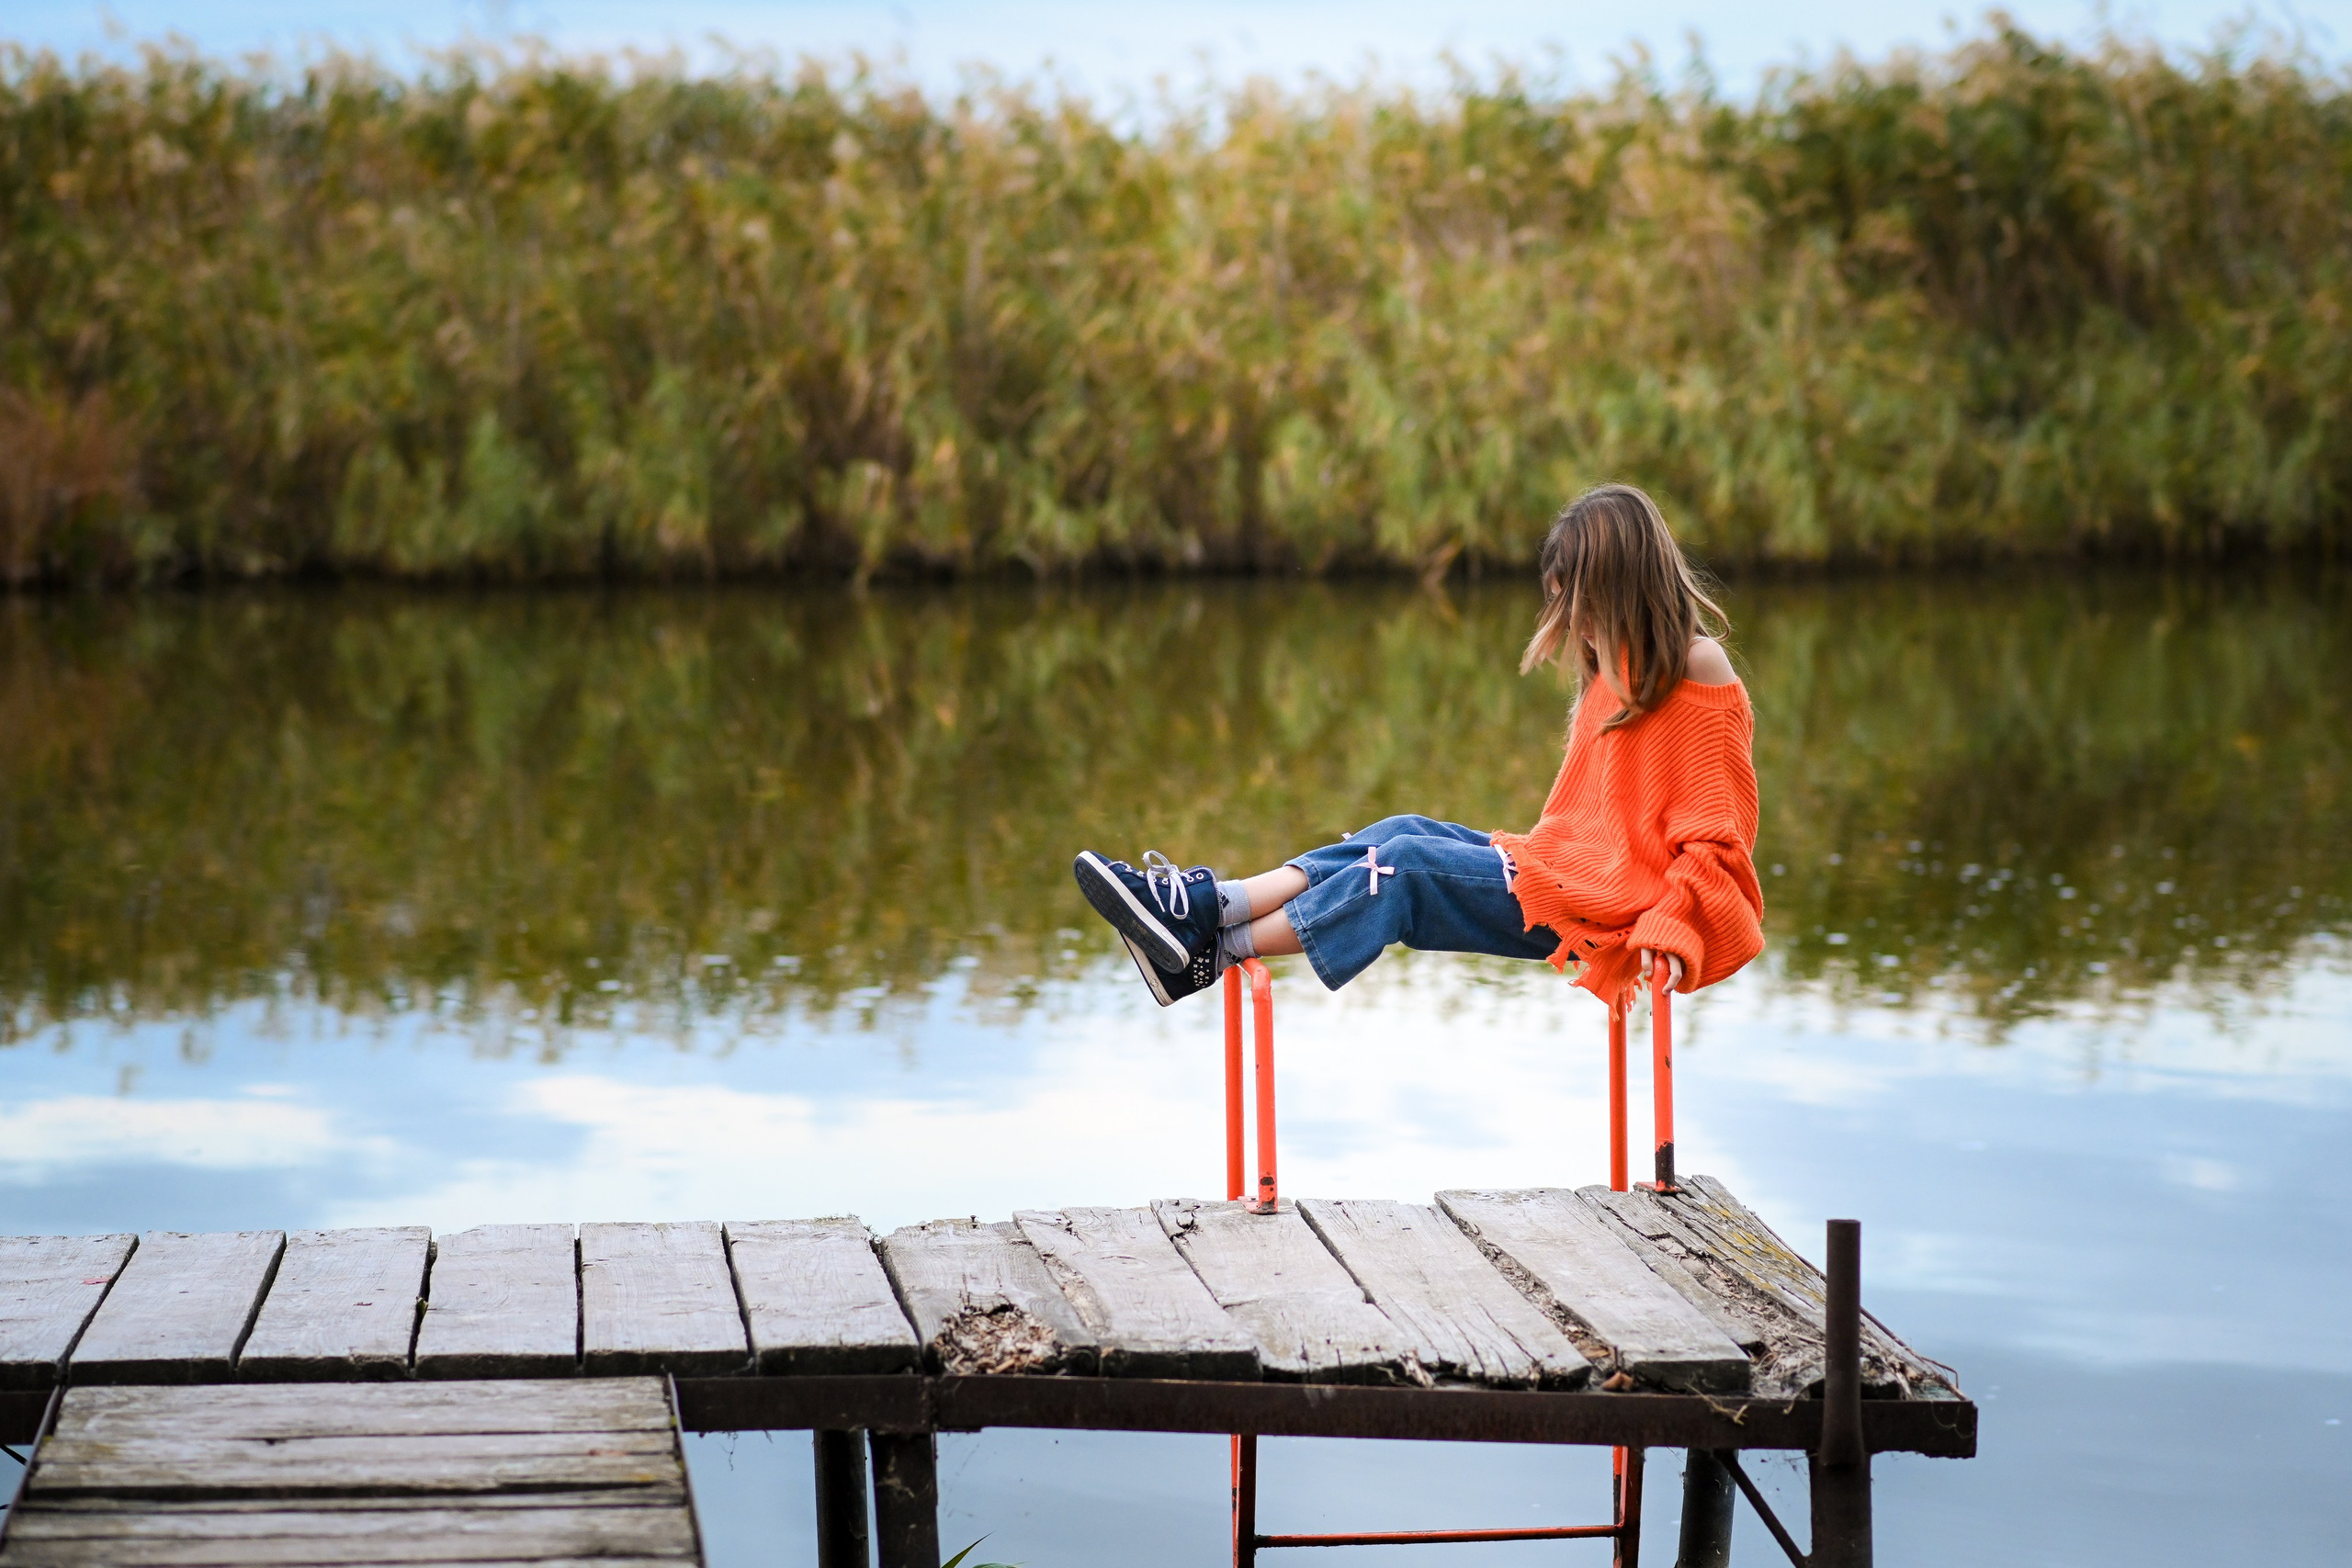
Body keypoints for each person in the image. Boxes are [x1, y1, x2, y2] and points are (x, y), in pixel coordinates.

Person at [1072, 482, 1764, 1009]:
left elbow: (1718, 842)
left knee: (1404, 866)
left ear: (1619, 585)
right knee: (1399, 830)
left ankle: (1215, 946)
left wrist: (1673, 929)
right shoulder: (1611, 666)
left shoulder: (1697, 669)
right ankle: (1207, 910)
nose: (1573, 628)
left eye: (1577, 606)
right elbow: (1583, 821)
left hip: (1605, 905)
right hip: (1563, 871)